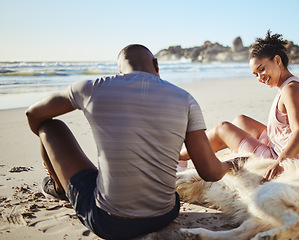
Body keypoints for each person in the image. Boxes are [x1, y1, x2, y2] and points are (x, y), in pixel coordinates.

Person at [26, 44, 235, 239]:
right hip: (166, 213)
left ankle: (59, 187)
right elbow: (209, 172)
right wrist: (229, 164)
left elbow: (33, 114)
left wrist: (51, 159)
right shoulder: (185, 98)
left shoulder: (94, 88)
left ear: (120, 72)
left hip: (109, 222)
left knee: (50, 126)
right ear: (156, 65)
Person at [179, 31, 299, 181]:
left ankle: (179, 157)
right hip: (296, 155)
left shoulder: (290, 91)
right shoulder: (294, 84)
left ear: (277, 60)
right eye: (255, 74)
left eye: (261, 69)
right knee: (241, 120)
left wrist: (279, 163)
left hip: (289, 164)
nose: (259, 77)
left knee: (223, 129)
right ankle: (189, 154)